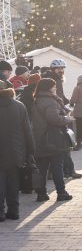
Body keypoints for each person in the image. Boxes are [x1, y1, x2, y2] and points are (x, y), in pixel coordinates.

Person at [31, 77, 73, 203]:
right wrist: (68, 119)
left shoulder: (36, 99)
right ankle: (61, 193)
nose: (55, 88)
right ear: (49, 88)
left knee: (42, 169)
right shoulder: (50, 101)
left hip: (40, 138)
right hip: (54, 138)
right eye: (54, 86)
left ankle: (41, 194)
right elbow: (54, 119)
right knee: (57, 167)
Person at [0, 78, 33, 221]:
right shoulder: (19, 106)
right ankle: (14, 211)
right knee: (13, 182)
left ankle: (0, 213)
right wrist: (31, 150)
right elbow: (27, 131)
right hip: (16, 151)